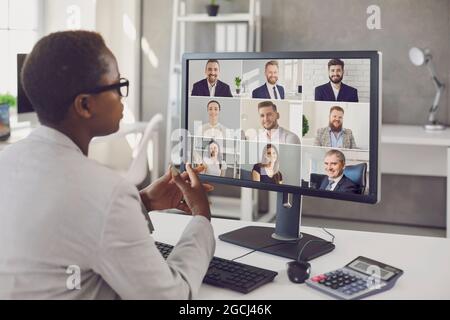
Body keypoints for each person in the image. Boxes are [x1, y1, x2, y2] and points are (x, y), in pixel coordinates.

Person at [0, 30, 215, 299]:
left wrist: (143, 202)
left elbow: (66, 229)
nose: (122, 95)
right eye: (116, 85)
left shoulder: (6, 161)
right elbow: (171, 297)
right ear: (85, 105)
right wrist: (201, 218)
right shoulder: (105, 191)